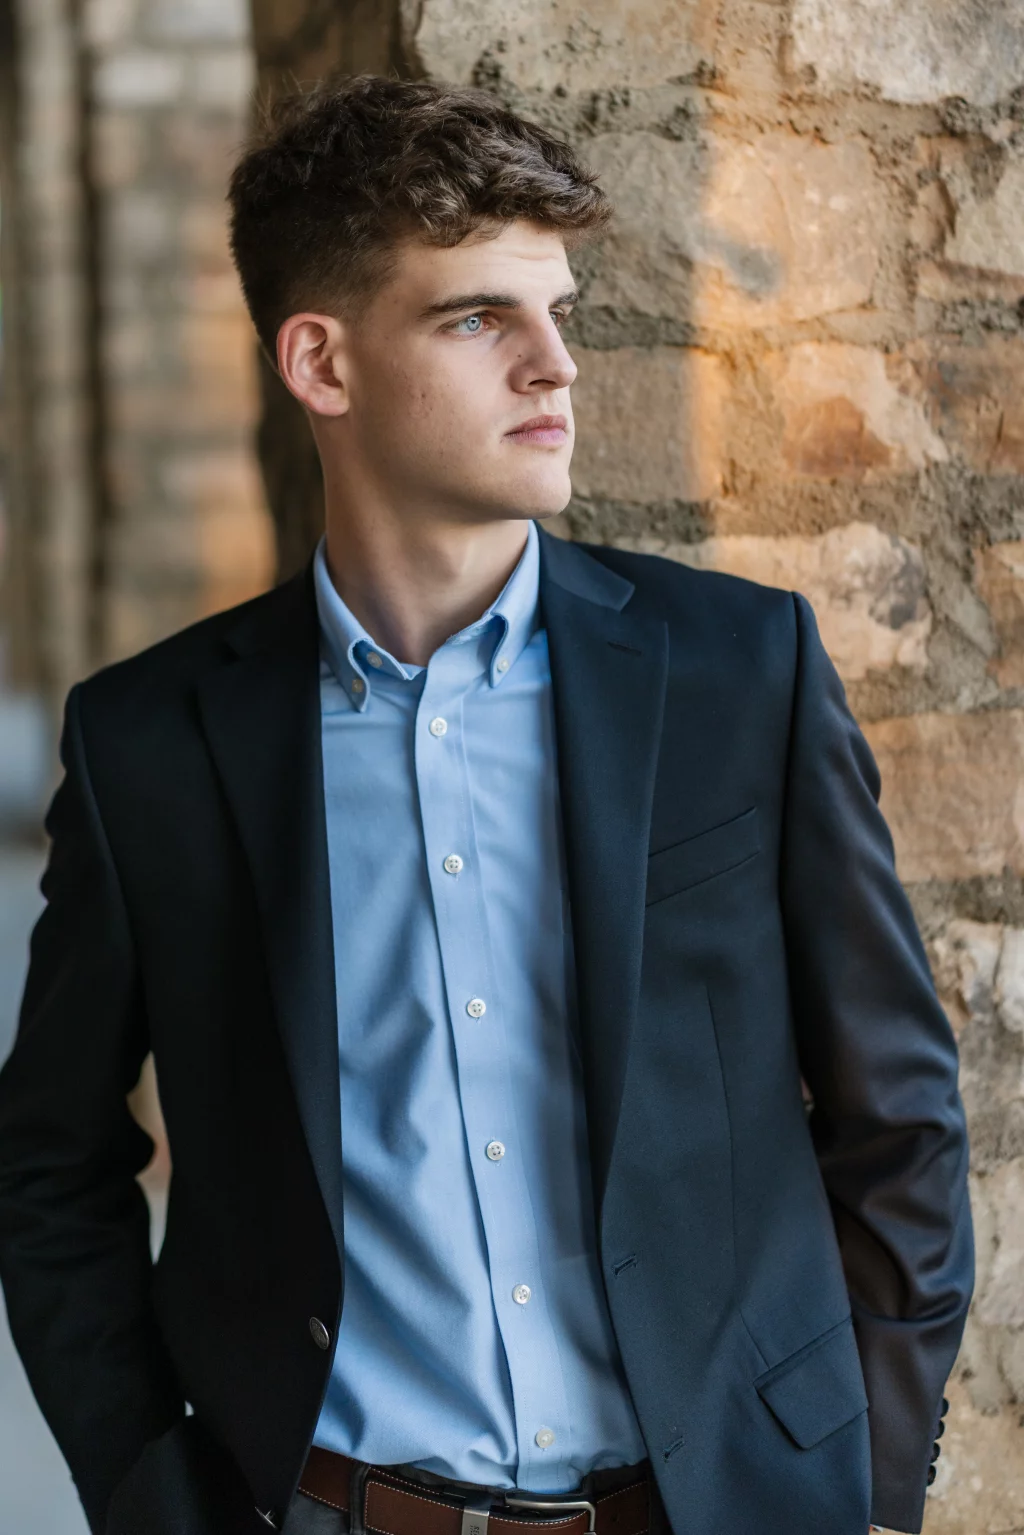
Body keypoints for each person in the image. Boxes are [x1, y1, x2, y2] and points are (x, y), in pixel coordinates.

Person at [0, 73, 972, 1535]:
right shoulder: (153, 746)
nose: (555, 367)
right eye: (478, 319)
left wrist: (872, 1480)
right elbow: (52, 1163)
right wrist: (152, 1491)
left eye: (560, 312)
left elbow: (897, 1115)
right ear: (320, 363)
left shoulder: (733, 673)